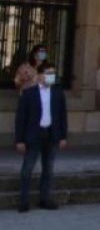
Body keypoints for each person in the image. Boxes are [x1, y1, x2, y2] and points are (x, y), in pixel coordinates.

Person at [14, 62, 68, 213]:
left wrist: (63, 136)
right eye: (48, 73)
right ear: (40, 75)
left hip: (51, 134)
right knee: (27, 169)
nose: (52, 76)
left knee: (48, 168)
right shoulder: (29, 93)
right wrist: (19, 140)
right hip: (33, 135)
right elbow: (21, 118)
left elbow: (62, 115)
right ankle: (24, 201)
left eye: (53, 73)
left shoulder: (58, 93)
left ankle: (45, 198)